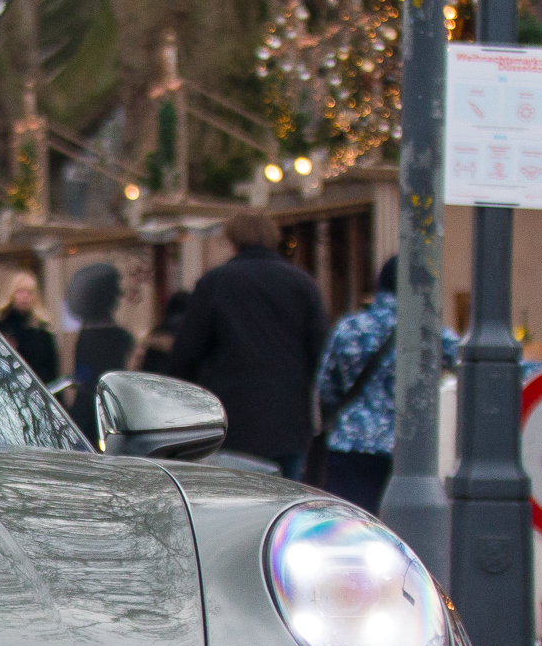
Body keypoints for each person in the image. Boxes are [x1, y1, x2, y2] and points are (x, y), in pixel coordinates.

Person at [163, 210, 328, 478]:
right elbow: (321, 352)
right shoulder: (302, 284)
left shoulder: (215, 283)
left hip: (233, 418)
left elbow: (187, 353)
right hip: (290, 419)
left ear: (232, 239)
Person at [312, 257, 461, 512]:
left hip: (351, 446)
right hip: (409, 451)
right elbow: (471, 362)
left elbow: (326, 385)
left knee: (352, 527)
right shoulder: (428, 331)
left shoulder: (350, 327)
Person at [62, 262, 135, 443]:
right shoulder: (119, 337)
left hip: (87, 406)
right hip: (106, 408)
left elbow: (83, 374)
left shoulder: (85, 334)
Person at [0, 271, 60, 386]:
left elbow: (52, 371)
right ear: (12, 294)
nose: (25, 296)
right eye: (20, 291)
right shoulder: (0, 329)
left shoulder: (43, 332)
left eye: (29, 292)